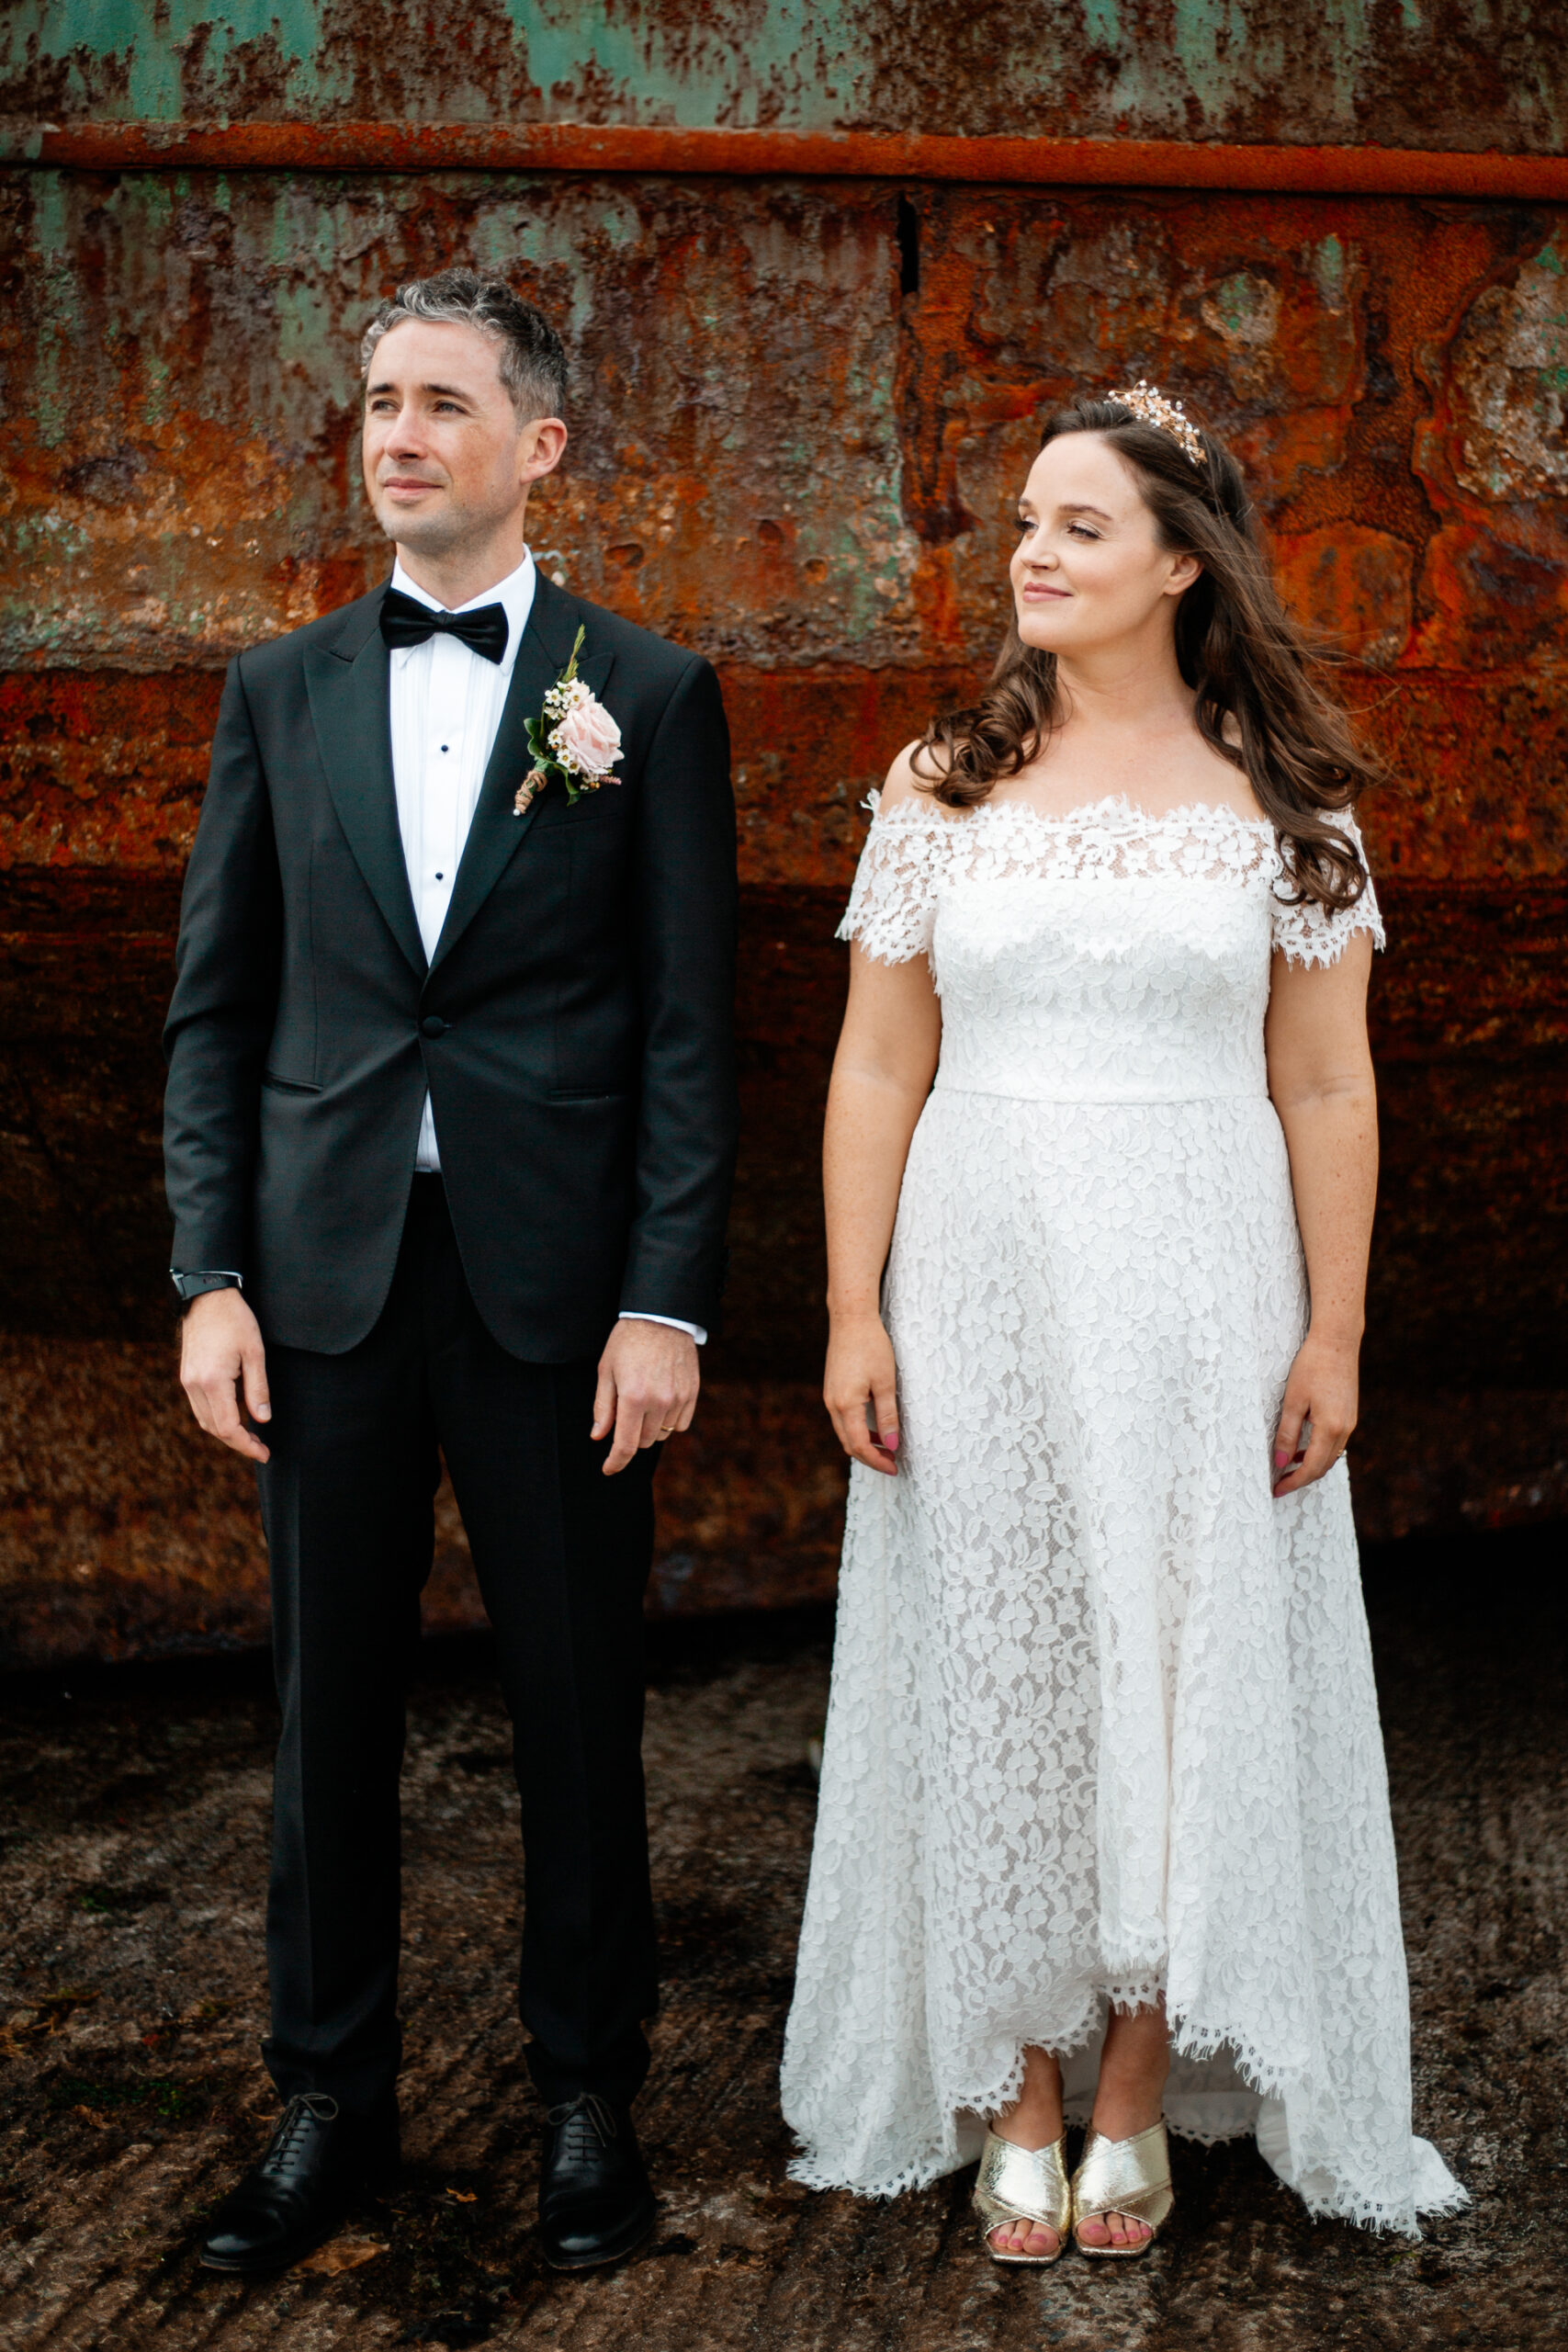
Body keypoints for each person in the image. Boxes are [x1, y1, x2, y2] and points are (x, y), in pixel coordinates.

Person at [781, 386, 1465, 2257]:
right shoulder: (939, 781)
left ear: (1179, 561)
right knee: (993, 1649)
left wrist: (1329, 1335)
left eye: (1077, 524)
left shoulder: (1279, 802)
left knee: (1176, 1660)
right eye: (1023, 519)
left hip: (1197, 1274)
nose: (1029, 552)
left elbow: (1323, 1086)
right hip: (982, 1262)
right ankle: (1007, 2082)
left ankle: (1134, 2093)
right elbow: (873, 1061)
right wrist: (852, 1303)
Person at [164, 269, 737, 2275]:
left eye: (438, 402)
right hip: (317, 1286)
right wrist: (207, 1267)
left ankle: (590, 2094)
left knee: (578, 1700)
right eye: (377, 401)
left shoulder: (642, 695)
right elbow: (213, 1014)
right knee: (326, 1709)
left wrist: (664, 1301)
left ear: (538, 446)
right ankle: (329, 2098)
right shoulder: (274, 687)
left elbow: (685, 1027)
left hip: (557, 1299)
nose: (393, 431)